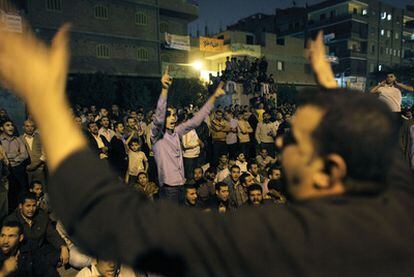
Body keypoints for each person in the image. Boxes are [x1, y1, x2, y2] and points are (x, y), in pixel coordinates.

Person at [2, 24, 414, 276]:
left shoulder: (285, 240)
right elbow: (375, 142)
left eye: (295, 140)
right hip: (168, 187)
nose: (281, 140)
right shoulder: (395, 201)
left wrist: (45, 98)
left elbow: (112, 222)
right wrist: (329, 89)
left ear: (329, 171)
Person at [150, 67, 224, 203]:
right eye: (169, 115)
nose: (173, 118)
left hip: (180, 186)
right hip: (168, 189)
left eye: (174, 115)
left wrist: (213, 97)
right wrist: (165, 90)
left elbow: (196, 120)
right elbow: (159, 116)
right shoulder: (157, 136)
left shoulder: (177, 132)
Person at [4, 193, 68, 276]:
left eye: (33, 206)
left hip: (41, 251)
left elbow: (52, 234)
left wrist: (63, 246)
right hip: (23, 256)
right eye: (28, 206)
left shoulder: (41, 215)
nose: (31, 209)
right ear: (20, 206)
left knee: (60, 254)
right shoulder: (11, 220)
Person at [0, 119, 28, 211]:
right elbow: (2, 157)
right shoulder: (0, 141)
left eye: (12, 125)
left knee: (21, 193)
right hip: (5, 172)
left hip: (18, 170)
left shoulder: (18, 140)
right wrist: (9, 158)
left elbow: (24, 155)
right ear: (1, 128)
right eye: (7, 125)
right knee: (8, 195)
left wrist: (14, 159)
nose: (11, 127)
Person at [21, 120, 46, 184]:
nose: (29, 128)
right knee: (29, 189)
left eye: (32, 126)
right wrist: (26, 167)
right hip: (26, 169)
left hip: (39, 168)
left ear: (34, 127)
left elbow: (45, 153)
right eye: (27, 126)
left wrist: (35, 165)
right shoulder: (20, 139)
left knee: (41, 189)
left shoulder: (40, 137)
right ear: (23, 127)